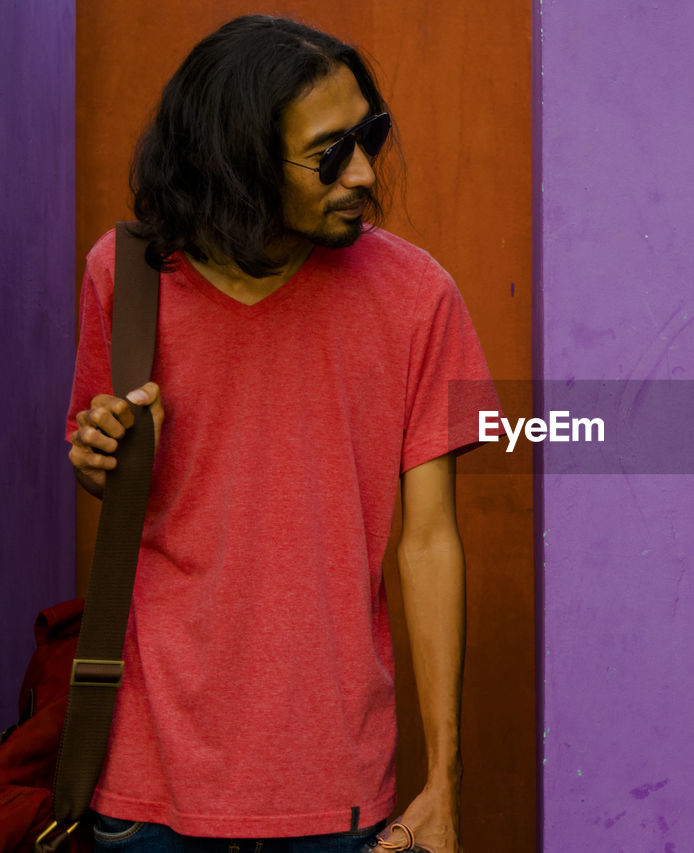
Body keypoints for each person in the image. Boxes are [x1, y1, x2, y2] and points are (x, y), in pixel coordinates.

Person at [65, 15, 497, 853]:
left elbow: (430, 542)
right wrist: (106, 453)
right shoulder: (126, 278)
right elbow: (113, 473)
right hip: (146, 788)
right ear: (237, 158)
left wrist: (444, 781)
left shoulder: (416, 295)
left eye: (369, 136)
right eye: (330, 152)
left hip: (335, 792)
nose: (366, 173)